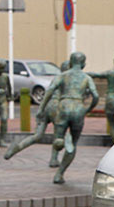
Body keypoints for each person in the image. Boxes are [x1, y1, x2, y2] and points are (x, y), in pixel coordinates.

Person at [38, 51, 98, 184]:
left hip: (64, 106)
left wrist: (41, 108)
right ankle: (59, 174)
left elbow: (50, 90)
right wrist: (87, 109)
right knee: (73, 145)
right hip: (78, 108)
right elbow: (95, 96)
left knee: (59, 137)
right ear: (83, 64)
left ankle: (59, 142)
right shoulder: (86, 78)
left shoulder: (63, 76)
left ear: (70, 63)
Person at [4, 60, 70, 166]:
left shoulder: (56, 78)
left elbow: (49, 93)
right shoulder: (67, 79)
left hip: (48, 106)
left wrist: (41, 108)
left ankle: (16, 148)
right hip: (57, 107)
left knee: (38, 135)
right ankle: (53, 159)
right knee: (58, 135)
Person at [0, 60, 9, 147]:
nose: (1, 71)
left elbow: (9, 87)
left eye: (2, 69)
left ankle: (2, 139)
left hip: (2, 100)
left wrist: (9, 96)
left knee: (4, 119)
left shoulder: (5, 77)